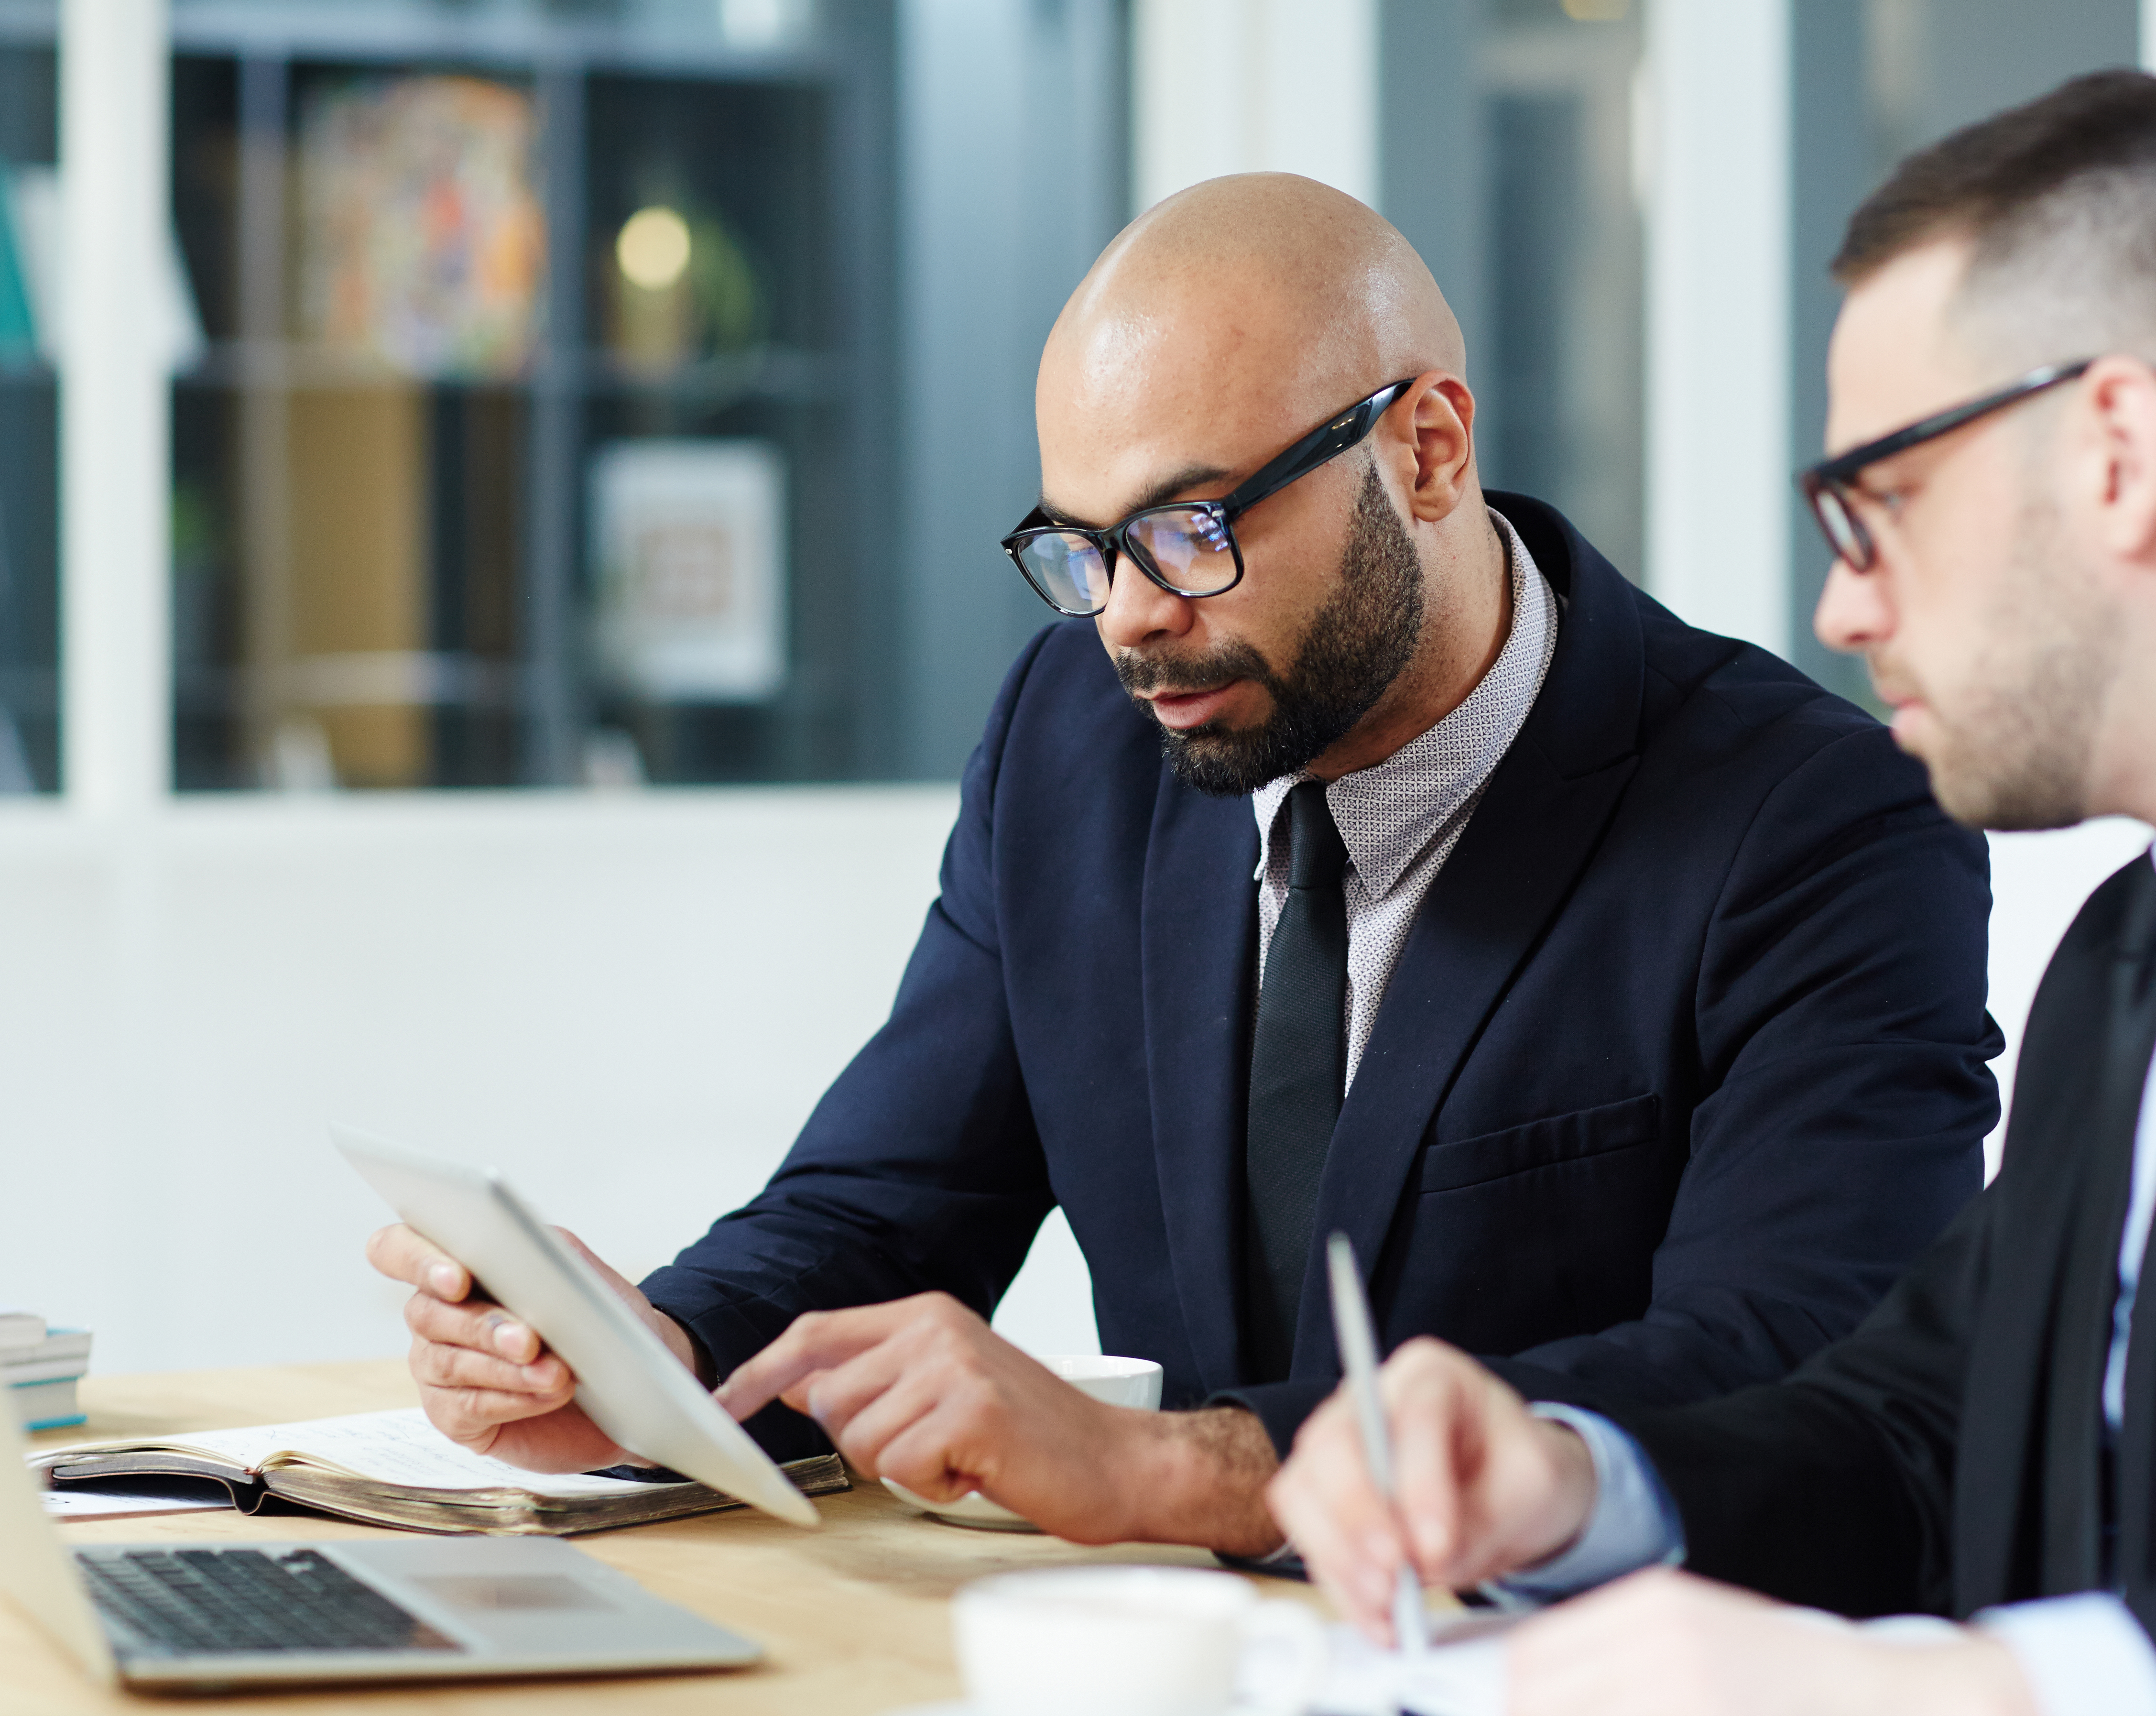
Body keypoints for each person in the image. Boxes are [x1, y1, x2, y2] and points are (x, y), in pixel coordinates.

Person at [1269, 70, 2156, 1716]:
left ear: (2120, 449)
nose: (1839, 606)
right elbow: (1929, 1429)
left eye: (1875, 502)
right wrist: (1571, 1487)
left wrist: (1980, 1705)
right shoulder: (2142, 940)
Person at [366, 174, 1997, 1557]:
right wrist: (651, 1352)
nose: (1131, 617)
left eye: (1193, 527)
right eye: (1080, 551)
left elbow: (1799, 1366)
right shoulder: (1076, 742)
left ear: (1427, 451)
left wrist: (1168, 1471)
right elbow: (891, 1204)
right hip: (1170, 1706)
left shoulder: (1813, 818)